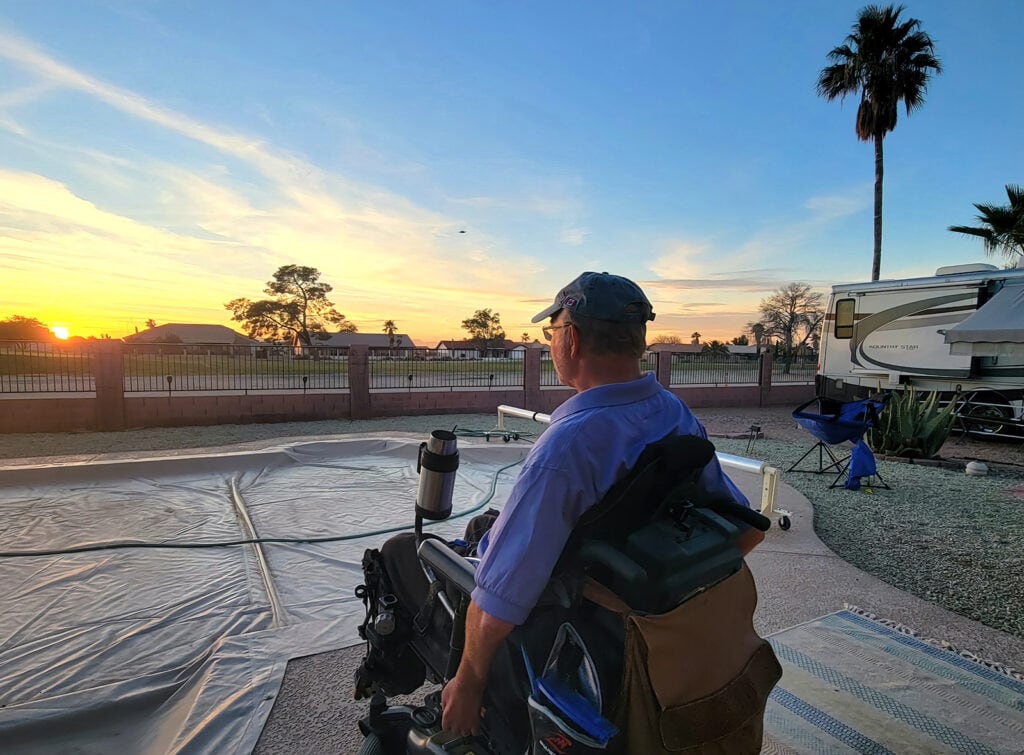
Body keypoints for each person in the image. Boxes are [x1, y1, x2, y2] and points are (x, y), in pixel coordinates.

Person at [440, 271, 763, 737]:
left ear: (570, 339)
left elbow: (499, 602)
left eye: (551, 332)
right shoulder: (673, 413)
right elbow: (739, 524)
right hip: (659, 619)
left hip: (589, 630)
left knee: (411, 557)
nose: (551, 343)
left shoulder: (565, 450)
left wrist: (467, 684)